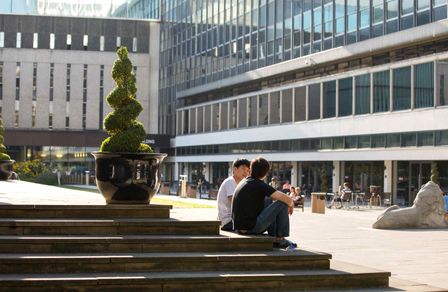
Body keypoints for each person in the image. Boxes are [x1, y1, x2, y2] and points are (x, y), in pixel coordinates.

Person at [232, 157, 297, 249]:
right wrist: (291, 204)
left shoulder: (245, 181)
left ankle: (274, 235)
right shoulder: (259, 185)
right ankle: (280, 238)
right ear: (265, 173)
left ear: (251, 169)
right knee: (282, 203)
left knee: (269, 199)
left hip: (239, 227)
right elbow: (285, 199)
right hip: (251, 227)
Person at [217, 158, 250, 231]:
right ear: (235, 169)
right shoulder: (230, 182)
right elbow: (234, 202)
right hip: (227, 221)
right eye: (243, 169)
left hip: (233, 220)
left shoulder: (241, 184)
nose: (246, 172)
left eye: (248, 170)